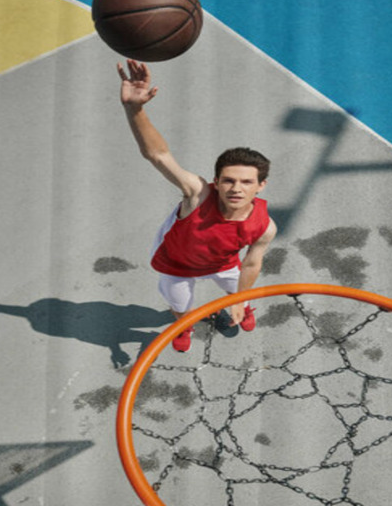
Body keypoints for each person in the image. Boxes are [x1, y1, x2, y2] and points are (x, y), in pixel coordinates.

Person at [118, 59, 277, 352]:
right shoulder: (198, 194)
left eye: (246, 182)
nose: (236, 189)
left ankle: (244, 309)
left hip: (223, 264)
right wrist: (134, 108)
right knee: (179, 305)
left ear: (260, 185)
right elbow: (158, 155)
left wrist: (240, 300)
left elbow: (253, 262)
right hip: (177, 265)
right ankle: (184, 325)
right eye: (228, 181)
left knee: (242, 291)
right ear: (217, 179)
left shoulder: (265, 225)